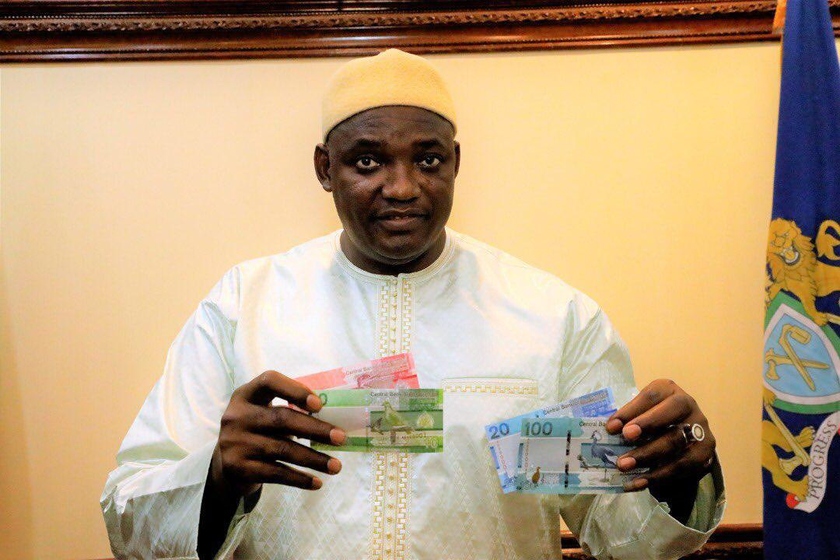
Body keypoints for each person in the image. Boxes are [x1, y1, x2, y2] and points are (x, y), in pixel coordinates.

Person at [101, 49, 724, 560]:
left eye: (427, 160)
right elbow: (129, 522)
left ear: (456, 162)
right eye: (368, 161)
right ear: (325, 168)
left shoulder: (549, 318)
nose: (401, 188)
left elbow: (623, 537)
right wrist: (217, 478)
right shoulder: (246, 307)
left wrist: (680, 473)